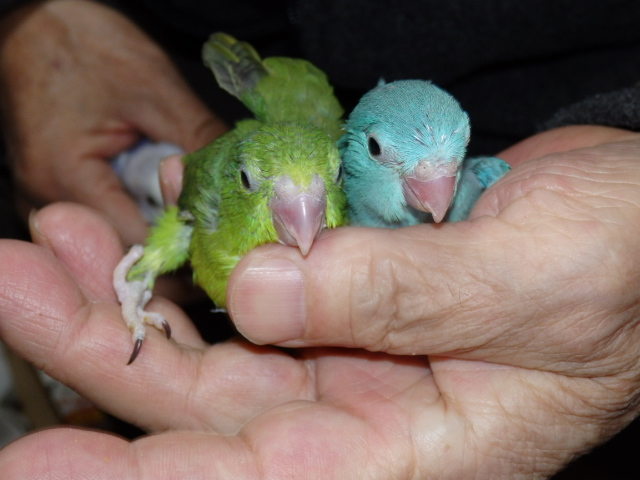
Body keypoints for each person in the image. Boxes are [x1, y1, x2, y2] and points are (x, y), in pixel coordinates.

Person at [1, 0, 640, 478]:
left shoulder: (463, 175)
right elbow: (190, 219)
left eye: (328, 184)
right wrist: (28, 19)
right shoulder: (248, 182)